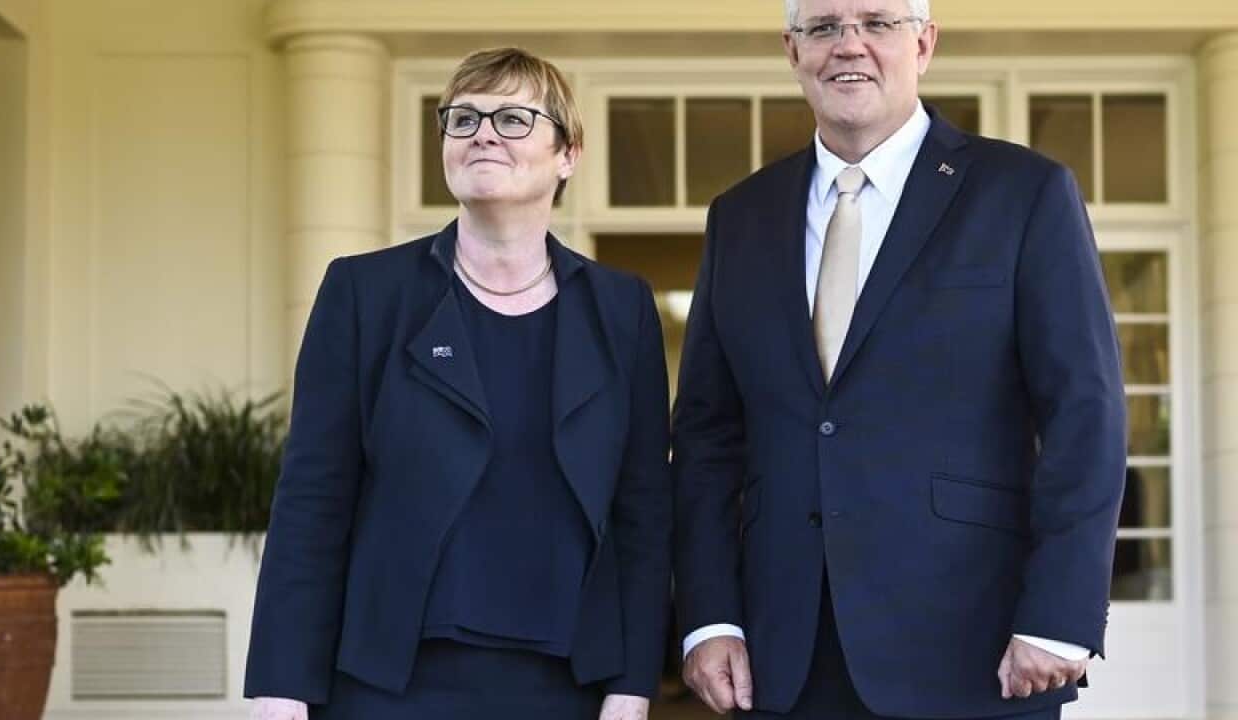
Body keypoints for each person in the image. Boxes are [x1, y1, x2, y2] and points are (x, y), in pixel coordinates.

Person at [671, 0, 1126, 718]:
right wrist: (710, 618)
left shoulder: (1023, 193)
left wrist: (1061, 612)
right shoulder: (741, 215)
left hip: (977, 646)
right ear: (793, 51)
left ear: (925, 42)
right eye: (822, 28)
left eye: (877, 22)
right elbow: (705, 436)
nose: (848, 45)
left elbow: (1085, 413)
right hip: (782, 654)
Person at [244, 47, 671, 720]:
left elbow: (644, 511)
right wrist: (281, 685)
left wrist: (635, 684)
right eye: (463, 118)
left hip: (570, 683)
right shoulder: (365, 294)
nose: (483, 134)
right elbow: (312, 499)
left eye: (513, 118)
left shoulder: (621, 311)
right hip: (389, 683)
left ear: (569, 154)